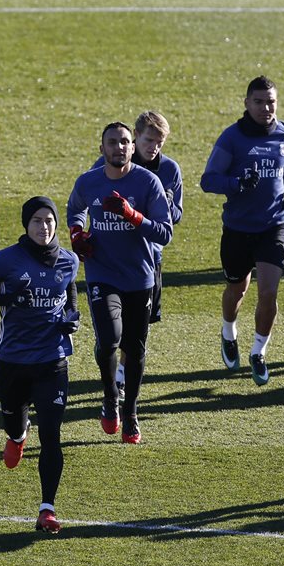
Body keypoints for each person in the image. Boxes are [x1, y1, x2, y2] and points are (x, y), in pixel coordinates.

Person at [0, 196, 79, 534]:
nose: (43, 226)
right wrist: (10, 299)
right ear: (25, 225)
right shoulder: (6, 260)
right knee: (14, 425)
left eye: (48, 220)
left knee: (52, 436)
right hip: (13, 362)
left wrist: (71, 318)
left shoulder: (69, 260)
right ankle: (17, 436)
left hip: (53, 361)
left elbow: (70, 291)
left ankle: (47, 508)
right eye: (36, 221)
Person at [67, 122, 172, 443]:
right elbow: (75, 209)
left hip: (140, 278)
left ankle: (130, 412)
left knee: (135, 350)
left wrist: (132, 215)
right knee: (109, 341)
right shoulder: (88, 181)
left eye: (125, 142)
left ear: (132, 147)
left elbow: (165, 232)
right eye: (112, 142)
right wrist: (76, 234)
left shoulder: (147, 182)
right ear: (102, 148)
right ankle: (111, 397)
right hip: (102, 274)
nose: (119, 147)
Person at [199, 75, 284, 386]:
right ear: (246, 103)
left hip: (273, 226)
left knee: (268, 293)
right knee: (237, 291)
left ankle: (258, 351)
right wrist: (237, 183)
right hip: (238, 229)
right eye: (258, 101)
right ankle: (228, 331)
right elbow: (208, 180)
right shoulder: (232, 139)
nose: (265, 107)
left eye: (271, 101)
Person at [89, 111, 183, 394]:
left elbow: (176, 216)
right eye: (149, 140)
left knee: (138, 331)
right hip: (109, 261)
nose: (154, 147)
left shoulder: (169, 170)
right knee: (111, 333)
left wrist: (166, 205)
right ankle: (116, 375)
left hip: (148, 259)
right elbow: (90, 200)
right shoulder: (107, 166)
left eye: (160, 142)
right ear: (136, 138)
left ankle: (121, 373)